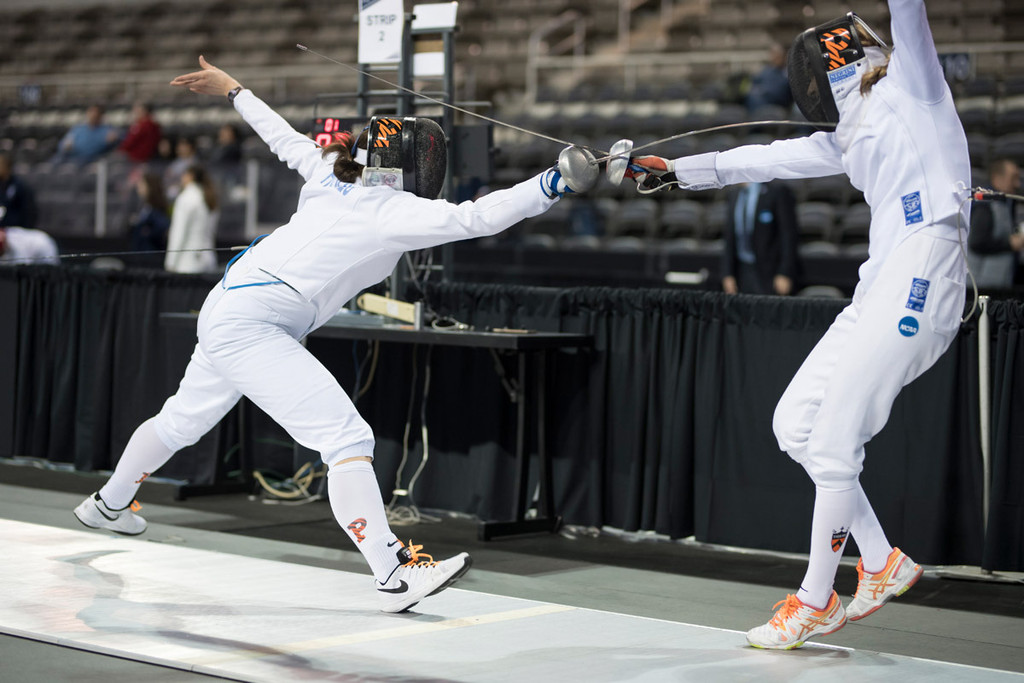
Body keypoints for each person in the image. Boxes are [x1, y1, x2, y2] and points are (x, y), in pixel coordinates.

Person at [73, 56, 578, 614]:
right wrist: (553, 182)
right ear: (405, 164)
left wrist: (235, 89)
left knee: (181, 420)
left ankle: (108, 504)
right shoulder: (391, 209)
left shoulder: (328, 175)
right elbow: (476, 218)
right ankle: (392, 574)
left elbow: (282, 137)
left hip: (227, 307)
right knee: (347, 441)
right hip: (257, 321)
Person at [628, 1, 969, 649]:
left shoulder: (919, 90)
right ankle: (880, 560)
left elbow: (911, 14)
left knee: (837, 439)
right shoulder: (846, 136)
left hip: (925, 275)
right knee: (797, 424)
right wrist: (672, 173)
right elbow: (754, 160)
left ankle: (817, 598)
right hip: (877, 286)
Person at [721, 181, 800, 295]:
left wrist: (785, 272)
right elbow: (729, 238)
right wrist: (727, 273)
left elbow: (788, 235)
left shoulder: (776, 190)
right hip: (742, 270)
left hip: (770, 272)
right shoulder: (734, 194)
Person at [967, 159, 1022, 289]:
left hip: (1001, 283)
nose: (1017, 184)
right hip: (982, 287)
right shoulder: (984, 206)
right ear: (997, 178)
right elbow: (977, 242)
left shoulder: (1007, 204)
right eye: (1013, 178)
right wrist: (1010, 243)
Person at [164, 164, 218, 273]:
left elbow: (178, 232)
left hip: (188, 264)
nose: (181, 178)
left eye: (183, 175)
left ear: (190, 176)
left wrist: (170, 263)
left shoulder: (186, 198)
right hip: (208, 260)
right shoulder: (208, 197)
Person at [53, 105, 119, 165]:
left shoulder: (107, 130)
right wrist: (65, 146)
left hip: (93, 161)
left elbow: (94, 149)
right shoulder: (78, 129)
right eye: (90, 112)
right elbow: (63, 146)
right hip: (72, 159)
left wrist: (110, 142)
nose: (92, 116)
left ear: (101, 116)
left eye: (95, 114)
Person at [129, 173, 171, 255]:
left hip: (150, 257)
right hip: (139, 255)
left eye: (142, 184)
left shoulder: (156, 209)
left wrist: (147, 232)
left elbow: (162, 228)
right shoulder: (144, 207)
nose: (138, 187)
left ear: (150, 187)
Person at [744, 43, 794, 112]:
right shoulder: (765, 71)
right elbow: (753, 85)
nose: (774, 58)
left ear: (783, 56)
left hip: (777, 107)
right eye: (773, 54)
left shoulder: (787, 73)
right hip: (757, 107)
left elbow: (783, 94)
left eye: (777, 55)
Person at [0, 153, 38, 230]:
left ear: (7, 167)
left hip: (17, 230)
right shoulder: (1, 185)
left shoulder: (19, 186)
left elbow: (29, 211)